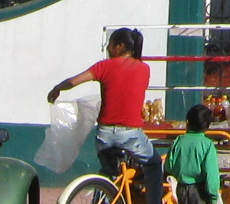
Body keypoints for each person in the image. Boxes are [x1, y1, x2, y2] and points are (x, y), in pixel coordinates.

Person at [46, 28, 156, 178]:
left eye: (110, 44)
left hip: (104, 135)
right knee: (154, 164)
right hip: (130, 134)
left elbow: (72, 82)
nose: (108, 48)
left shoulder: (104, 66)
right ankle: (154, 202)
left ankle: (106, 192)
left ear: (120, 46)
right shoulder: (144, 69)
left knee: (110, 173)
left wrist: (57, 88)